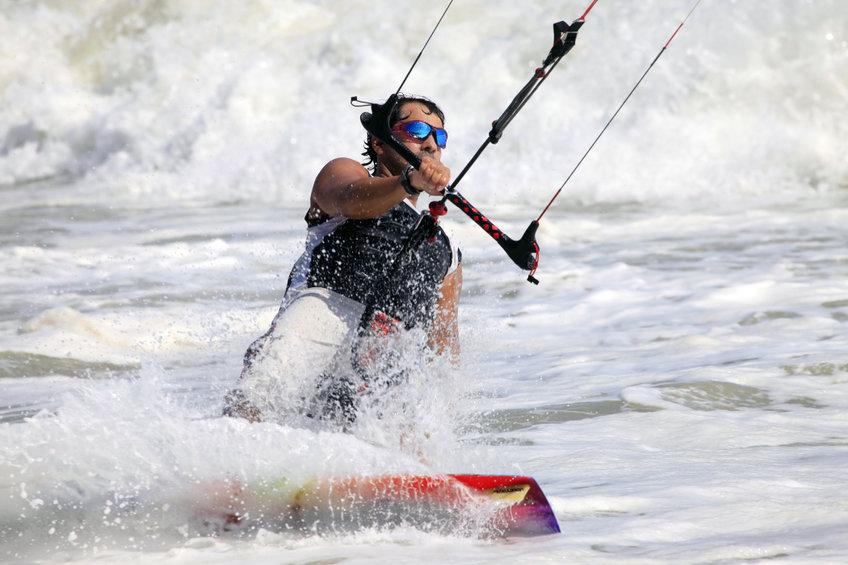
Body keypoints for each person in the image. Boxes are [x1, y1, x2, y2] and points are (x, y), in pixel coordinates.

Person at [224, 94, 462, 428]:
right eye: (418, 129)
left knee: (407, 427)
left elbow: (443, 345)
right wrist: (407, 181)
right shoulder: (344, 173)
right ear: (379, 143)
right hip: (321, 315)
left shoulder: (446, 246)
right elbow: (351, 200)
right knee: (260, 397)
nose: (430, 144)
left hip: (385, 351)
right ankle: (230, 447)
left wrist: (435, 429)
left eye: (439, 136)